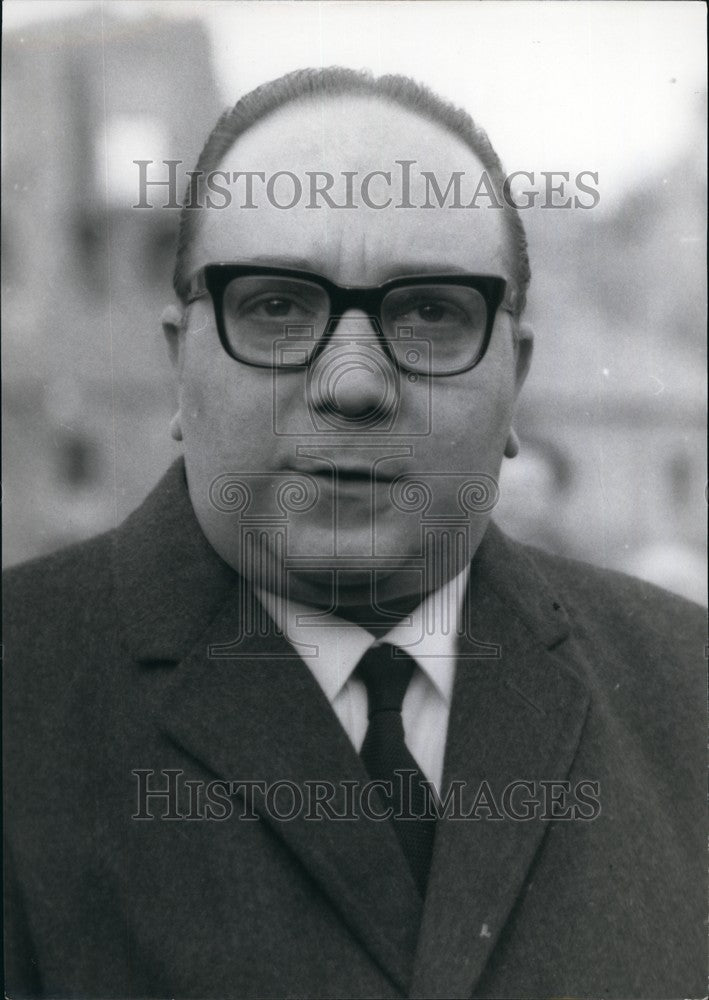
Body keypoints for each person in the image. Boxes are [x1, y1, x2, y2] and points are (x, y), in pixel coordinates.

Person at [3, 68, 705, 999]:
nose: (353, 383)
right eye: (277, 307)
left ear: (515, 379)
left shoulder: (684, 686)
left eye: (428, 314)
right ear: (180, 365)